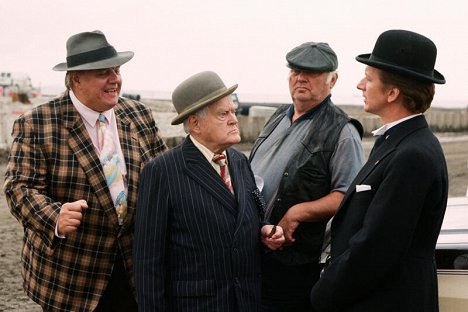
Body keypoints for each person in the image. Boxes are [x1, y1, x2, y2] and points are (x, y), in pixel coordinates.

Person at [3, 30, 167, 311]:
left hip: (134, 269)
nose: (115, 79)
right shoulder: (37, 123)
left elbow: (166, 176)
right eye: (104, 72)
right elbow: (19, 188)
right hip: (72, 276)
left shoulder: (139, 115)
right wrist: (54, 216)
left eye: (116, 70)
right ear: (75, 78)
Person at [310, 29, 448, 312]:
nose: (360, 85)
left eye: (369, 78)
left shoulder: (412, 154)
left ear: (392, 92)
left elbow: (378, 247)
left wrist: (323, 291)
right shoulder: (397, 141)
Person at [133, 70, 285, 311]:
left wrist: (263, 230)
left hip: (247, 302)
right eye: (223, 114)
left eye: (233, 111)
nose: (234, 119)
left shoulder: (239, 161)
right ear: (195, 123)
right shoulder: (162, 172)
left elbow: (244, 218)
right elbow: (148, 262)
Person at [249, 42, 365, 311]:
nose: (300, 78)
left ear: (332, 80)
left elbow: (347, 196)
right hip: (256, 251)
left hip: (295, 264)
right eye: (295, 70)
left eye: (311, 72)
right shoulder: (278, 115)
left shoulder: (343, 131)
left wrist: (297, 213)